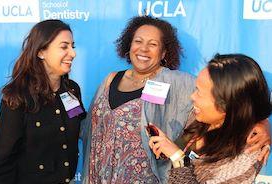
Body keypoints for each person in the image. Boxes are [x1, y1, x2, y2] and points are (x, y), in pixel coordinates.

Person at [80, 16, 270, 184]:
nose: (143, 48)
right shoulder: (111, 79)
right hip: (100, 173)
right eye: (138, 41)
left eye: (153, 44)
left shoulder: (178, 83)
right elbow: (87, 126)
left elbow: (235, 101)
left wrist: (262, 123)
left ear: (164, 53)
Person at [149, 54, 272, 183]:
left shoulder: (247, 156)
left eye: (199, 93)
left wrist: (177, 157)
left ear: (226, 105)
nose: (192, 97)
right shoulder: (204, 118)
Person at [0, 19, 86, 184]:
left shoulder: (72, 90)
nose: (73, 53)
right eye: (64, 46)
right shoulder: (18, 97)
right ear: (41, 51)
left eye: (72, 46)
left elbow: (81, 125)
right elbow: (3, 160)